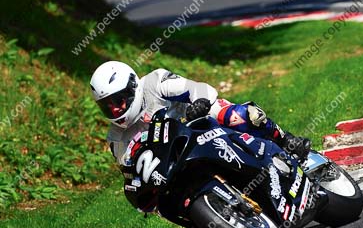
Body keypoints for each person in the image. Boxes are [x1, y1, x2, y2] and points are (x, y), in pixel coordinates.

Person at [90, 60, 311, 171]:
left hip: (200, 122)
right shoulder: (116, 138)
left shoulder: (154, 82)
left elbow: (196, 88)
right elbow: (132, 172)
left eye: (118, 101)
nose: (116, 110)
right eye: (107, 106)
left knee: (242, 116)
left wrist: (200, 102)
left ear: (132, 87)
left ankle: (286, 141)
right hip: (179, 159)